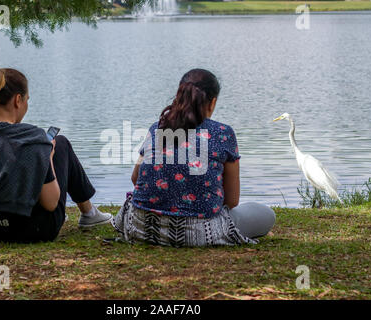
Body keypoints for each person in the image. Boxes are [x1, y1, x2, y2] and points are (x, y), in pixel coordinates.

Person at [112, 69, 276, 247]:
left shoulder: (157, 127)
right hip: (200, 233)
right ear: (212, 102)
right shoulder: (223, 133)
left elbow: (135, 178)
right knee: (267, 215)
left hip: (141, 228)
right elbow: (231, 201)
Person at [0, 66, 112, 243]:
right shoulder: (32, 138)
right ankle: (89, 213)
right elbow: (51, 203)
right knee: (61, 144)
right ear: (18, 100)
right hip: (34, 231)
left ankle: (89, 213)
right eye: (27, 100)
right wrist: (48, 158)